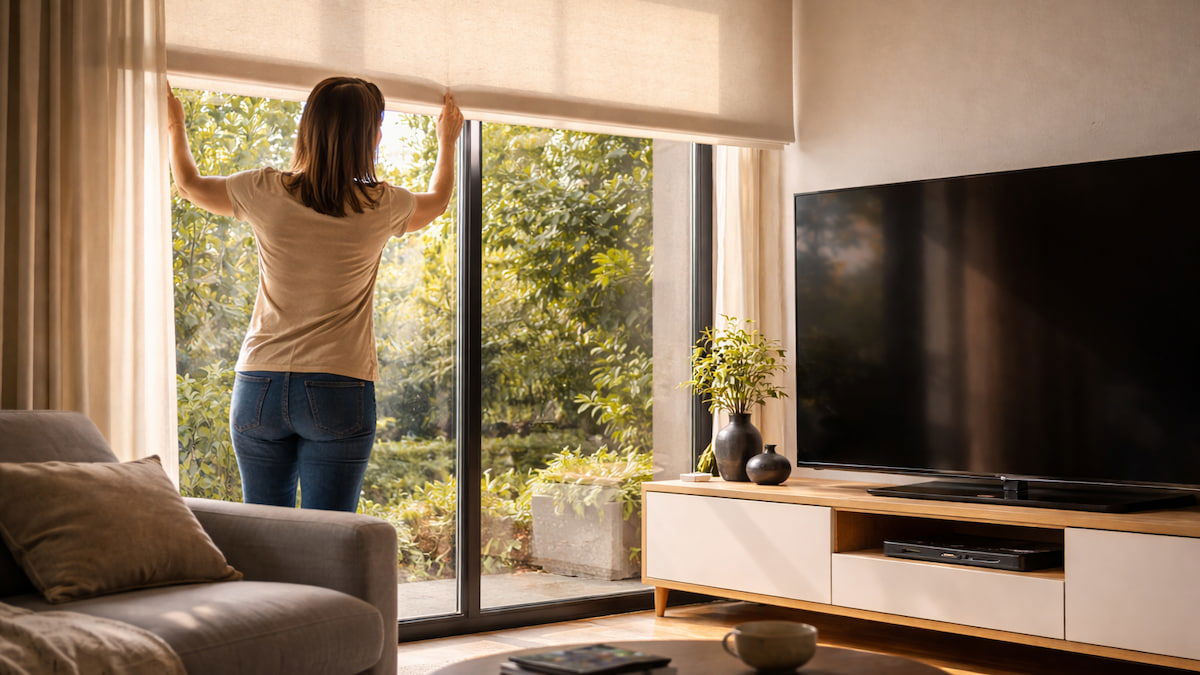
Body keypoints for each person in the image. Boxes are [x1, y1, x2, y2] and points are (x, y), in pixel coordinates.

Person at [167, 77, 463, 512]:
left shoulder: (263, 190)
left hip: (259, 385)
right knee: (330, 539)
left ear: (307, 129)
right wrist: (447, 141)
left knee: (267, 535)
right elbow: (437, 200)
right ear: (372, 137)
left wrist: (177, 125)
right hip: (338, 385)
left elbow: (189, 184)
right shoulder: (381, 204)